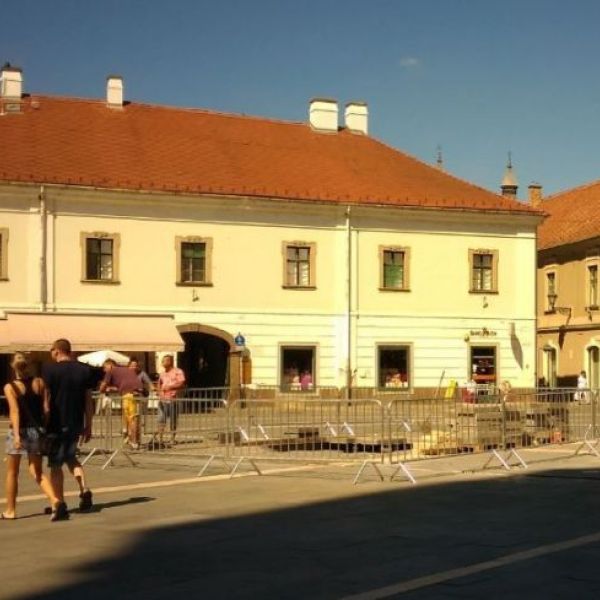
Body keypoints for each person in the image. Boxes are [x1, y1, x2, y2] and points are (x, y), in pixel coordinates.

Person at [2, 353, 61, 521]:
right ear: (29, 365)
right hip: (37, 430)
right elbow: (46, 409)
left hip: (19, 430)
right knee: (37, 471)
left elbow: (15, 412)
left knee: (12, 472)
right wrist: (43, 426)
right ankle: (55, 500)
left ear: (12, 367)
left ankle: (10, 510)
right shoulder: (40, 383)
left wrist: (16, 436)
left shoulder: (10, 387)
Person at [43, 338, 94, 515]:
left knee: (55, 465)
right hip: (75, 422)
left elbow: (46, 401)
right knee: (71, 457)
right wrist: (89, 425)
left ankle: (59, 502)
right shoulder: (84, 370)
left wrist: (44, 423)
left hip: (56, 423)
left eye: (51, 350)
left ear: (57, 351)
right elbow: (88, 401)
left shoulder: (49, 370)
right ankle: (84, 488)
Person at [100, 358, 144, 449]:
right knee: (134, 418)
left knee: (131, 419)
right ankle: (135, 440)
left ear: (110, 365)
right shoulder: (125, 369)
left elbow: (103, 385)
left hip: (129, 395)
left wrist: (102, 391)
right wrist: (112, 389)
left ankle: (134, 442)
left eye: (104, 367)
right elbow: (123, 384)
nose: (104, 370)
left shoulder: (111, 371)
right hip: (139, 393)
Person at [157, 355, 186, 446]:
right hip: (162, 400)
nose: (163, 363)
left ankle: (172, 439)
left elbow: (181, 383)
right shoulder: (162, 373)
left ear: (170, 362)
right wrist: (159, 392)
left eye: (165, 361)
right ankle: (160, 439)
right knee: (161, 419)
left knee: (173, 420)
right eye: (162, 361)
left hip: (173, 399)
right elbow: (159, 383)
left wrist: (171, 387)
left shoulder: (178, 371)